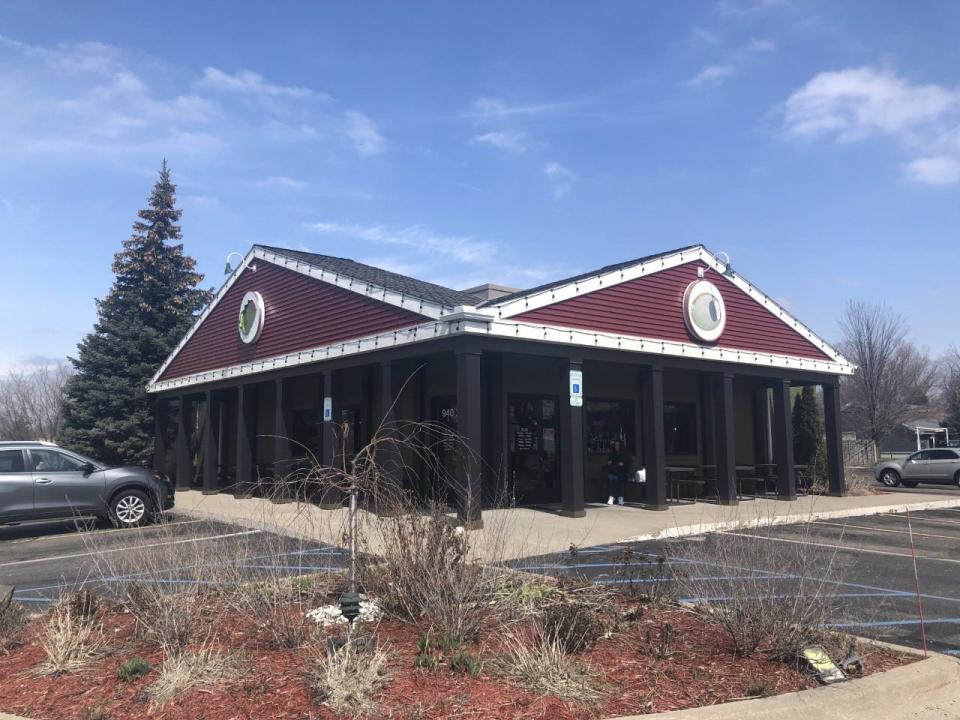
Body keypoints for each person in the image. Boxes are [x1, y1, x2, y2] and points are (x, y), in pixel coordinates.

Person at [606, 439, 630, 505]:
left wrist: (623, 463)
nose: (616, 446)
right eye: (615, 445)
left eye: (618, 445)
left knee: (619, 479)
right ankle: (611, 497)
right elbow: (609, 461)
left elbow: (628, 461)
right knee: (611, 478)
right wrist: (609, 462)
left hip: (623, 472)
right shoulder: (613, 453)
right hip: (614, 471)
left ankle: (620, 497)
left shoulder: (625, 453)